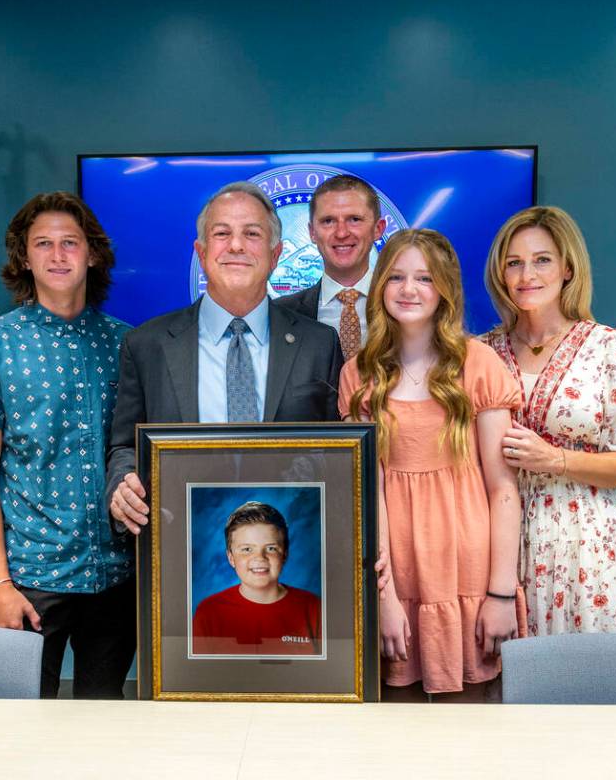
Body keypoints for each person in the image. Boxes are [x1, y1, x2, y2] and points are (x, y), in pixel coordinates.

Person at [0, 192, 134, 699]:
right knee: (24, 727)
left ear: (92, 254)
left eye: (70, 243)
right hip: (30, 577)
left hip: (117, 576)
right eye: (44, 244)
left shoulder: (127, 344)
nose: (58, 256)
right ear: (25, 257)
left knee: (106, 716)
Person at [340, 228, 524, 700]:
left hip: (467, 567)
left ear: (445, 289)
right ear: (379, 285)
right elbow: (367, 492)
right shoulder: (358, 373)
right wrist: (384, 599)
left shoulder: (479, 364)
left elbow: (503, 489)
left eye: (424, 277)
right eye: (397, 276)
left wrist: (501, 594)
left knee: (473, 726)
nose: (409, 289)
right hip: (394, 571)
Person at [480, 206, 616, 636]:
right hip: (496, 545)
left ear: (568, 268)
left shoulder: (612, 348)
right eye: (514, 263)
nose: (526, 274)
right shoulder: (480, 352)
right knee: (505, 687)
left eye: (542, 259)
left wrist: (556, 460)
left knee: (596, 688)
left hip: (587, 548)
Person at [107, 182, 343, 533]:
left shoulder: (319, 343)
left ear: (275, 254)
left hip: (295, 544)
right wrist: (122, 485)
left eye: (252, 233)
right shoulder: (147, 345)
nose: (236, 245)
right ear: (201, 252)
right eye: (222, 233)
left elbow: (338, 452)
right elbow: (125, 446)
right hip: (181, 542)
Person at [274, 174, 386, 361]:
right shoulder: (280, 315)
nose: (341, 233)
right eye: (328, 221)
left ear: (378, 229)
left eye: (354, 219)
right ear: (312, 233)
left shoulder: (406, 310)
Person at [192, 501, 322, 656]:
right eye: (247, 549)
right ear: (231, 557)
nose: (260, 558)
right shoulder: (209, 612)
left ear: (285, 554)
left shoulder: (314, 608)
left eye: (271, 548)